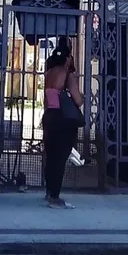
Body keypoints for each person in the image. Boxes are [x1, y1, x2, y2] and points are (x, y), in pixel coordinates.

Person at [41, 37, 83, 209]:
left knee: (51, 156)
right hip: (63, 120)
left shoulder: (49, 74)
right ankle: (55, 198)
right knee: (60, 158)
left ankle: (49, 192)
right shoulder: (67, 75)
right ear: (67, 59)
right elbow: (78, 101)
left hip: (50, 116)